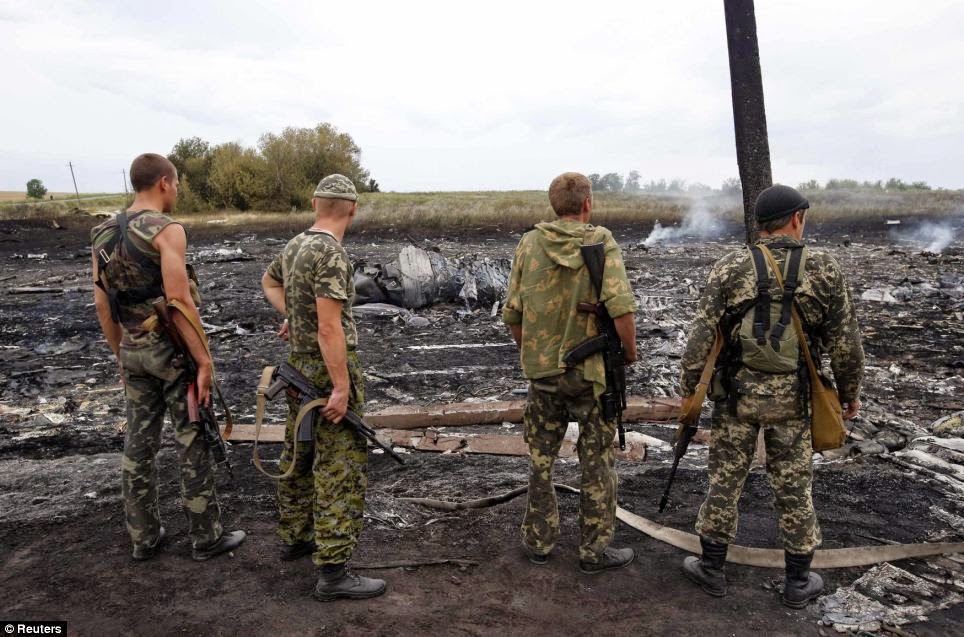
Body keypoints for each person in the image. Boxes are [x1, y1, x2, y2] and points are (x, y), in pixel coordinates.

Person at [678, 184, 864, 607]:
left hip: (735, 395)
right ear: (797, 218)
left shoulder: (730, 266)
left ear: (759, 224)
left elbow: (700, 338)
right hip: (795, 400)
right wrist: (849, 392)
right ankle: (797, 581)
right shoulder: (824, 268)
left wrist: (691, 389)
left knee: (725, 479)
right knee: (794, 484)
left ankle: (712, 569)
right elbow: (845, 342)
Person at [91, 153, 245, 561]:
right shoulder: (167, 230)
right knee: (191, 436)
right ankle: (206, 536)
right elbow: (178, 300)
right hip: (173, 353)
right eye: (176, 184)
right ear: (163, 182)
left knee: (138, 446)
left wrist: (120, 355)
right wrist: (205, 360)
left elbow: (104, 306)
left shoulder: (102, 234)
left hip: (133, 351)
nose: (177, 191)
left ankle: (143, 538)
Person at [503, 172, 638, 573]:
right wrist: (628, 354)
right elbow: (621, 307)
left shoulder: (529, 243)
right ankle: (594, 551)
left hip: (543, 375)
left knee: (540, 460)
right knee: (596, 461)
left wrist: (534, 350)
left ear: (553, 205)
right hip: (592, 375)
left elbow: (512, 314)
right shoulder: (600, 242)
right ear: (587, 204)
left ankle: (538, 542)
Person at [261, 174, 385, 601]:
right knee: (339, 466)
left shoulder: (297, 245)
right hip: (323, 369)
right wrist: (340, 387)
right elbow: (330, 328)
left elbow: (269, 282)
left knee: (299, 452)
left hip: (297, 369)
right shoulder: (331, 254)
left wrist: (295, 318)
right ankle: (333, 572)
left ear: (315, 203)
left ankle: (295, 537)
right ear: (352, 208)